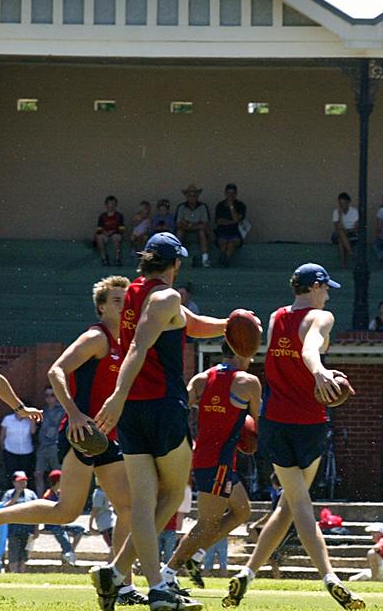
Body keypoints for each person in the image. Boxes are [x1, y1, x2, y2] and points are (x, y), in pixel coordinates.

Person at [91, 233, 232, 611]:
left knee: (144, 500)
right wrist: (116, 395)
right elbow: (139, 345)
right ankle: (154, 587)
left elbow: (188, 323)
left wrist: (229, 324)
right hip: (162, 405)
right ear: (176, 264)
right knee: (172, 494)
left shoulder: (135, 293)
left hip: (135, 412)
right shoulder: (168, 296)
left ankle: (119, 574)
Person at [221, 262, 363, 610]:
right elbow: (309, 350)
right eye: (326, 287)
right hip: (308, 422)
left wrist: (316, 372)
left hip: (274, 422)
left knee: (287, 504)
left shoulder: (275, 316)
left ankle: (248, 572)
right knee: (300, 504)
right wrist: (320, 374)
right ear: (315, 287)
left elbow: (285, 354)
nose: (328, 294)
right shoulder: (320, 318)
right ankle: (330, 577)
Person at [163, 341, 260, 590]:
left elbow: (177, 411)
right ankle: (168, 574)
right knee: (207, 522)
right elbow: (261, 424)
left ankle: (196, 556)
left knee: (242, 511)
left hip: (207, 457)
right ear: (242, 350)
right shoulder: (249, 383)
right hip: (218, 463)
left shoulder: (201, 379)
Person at [0, 471, 38, 572]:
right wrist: (16, 494)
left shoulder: (31, 494)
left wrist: (36, 529)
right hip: (13, 530)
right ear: (14, 482)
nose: (23, 484)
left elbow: (37, 512)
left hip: (27, 529)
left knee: (24, 555)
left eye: (24, 481)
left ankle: (21, 574)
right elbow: (3, 508)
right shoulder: (9, 494)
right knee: (14, 554)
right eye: (20, 481)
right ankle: (13, 572)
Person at [35, 385, 65, 495]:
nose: (49, 398)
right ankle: (40, 499)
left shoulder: (62, 411)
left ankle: (60, 498)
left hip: (55, 446)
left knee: (58, 474)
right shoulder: (43, 411)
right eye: (46, 395)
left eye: (52, 395)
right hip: (42, 446)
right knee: (38, 474)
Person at [175, 185, 211, 268]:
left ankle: (205, 259)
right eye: (189, 196)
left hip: (198, 234)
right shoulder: (181, 207)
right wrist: (195, 225)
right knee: (179, 232)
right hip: (185, 233)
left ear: (197, 196)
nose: (192, 198)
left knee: (202, 232)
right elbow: (178, 224)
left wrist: (189, 225)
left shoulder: (202, 207)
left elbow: (204, 224)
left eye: (194, 195)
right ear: (186, 196)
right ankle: (176, 258)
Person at [213, 183, 247, 267]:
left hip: (236, 232)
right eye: (228, 193)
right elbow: (219, 221)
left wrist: (231, 206)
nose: (230, 195)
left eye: (233, 193)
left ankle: (224, 261)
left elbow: (237, 219)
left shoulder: (241, 205)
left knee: (231, 244)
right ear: (225, 193)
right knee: (222, 242)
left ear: (236, 194)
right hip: (222, 232)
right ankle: (224, 261)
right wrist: (232, 221)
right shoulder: (220, 205)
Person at [0, 404, 36, 479]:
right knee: (11, 475)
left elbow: (33, 432)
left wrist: (32, 419)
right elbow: (2, 436)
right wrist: (3, 449)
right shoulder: (8, 419)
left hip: (26, 452)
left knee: (25, 475)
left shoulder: (29, 420)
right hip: (10, 451)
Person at [96, 195, 127, 267]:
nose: (111, 206)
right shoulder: (102, 216)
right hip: (105, 234)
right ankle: (104, 259)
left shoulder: (119, 216)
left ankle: (117, 259)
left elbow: (122, 228)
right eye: (110, 203)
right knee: (99, 237)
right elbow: (98, 229)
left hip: (115, 234)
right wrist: (104, 232)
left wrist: (113, 232)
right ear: (106, 205)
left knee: (116, 238)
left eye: (113, 203)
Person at [331, 192, 359, 268]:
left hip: (351, 234)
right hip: (338, 234)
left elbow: (356, 228)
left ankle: (343, 263)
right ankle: (351, 253)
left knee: (341, 240)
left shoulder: (354, 212)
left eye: (343, 203)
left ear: (348, 202)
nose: (341, 205)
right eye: (340, 203)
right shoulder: (336, 212)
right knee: (340, 233)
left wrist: (346, 230)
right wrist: (340, 216)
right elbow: (337, 227)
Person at [91, 486, 117, 550]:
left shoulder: (98, 493)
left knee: (112, 548)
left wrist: (90, 523)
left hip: (105, 524)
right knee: (115, 547)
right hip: (112, 520)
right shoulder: (108, 491)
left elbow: (95, 509)